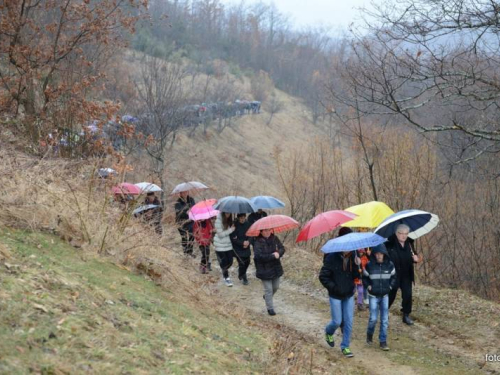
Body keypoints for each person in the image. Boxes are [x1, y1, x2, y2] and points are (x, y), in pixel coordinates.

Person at [318, 227, 360, 358]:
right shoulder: (331, 257)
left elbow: (356, 277)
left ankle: (345, 346)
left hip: (348, 294)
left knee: (348, 321)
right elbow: (323, 276)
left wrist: (358, 266)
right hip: (335, 294)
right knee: (337, 321)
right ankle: (328, 332)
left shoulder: (354, 256)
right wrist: (333, 288)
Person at [362, 244, 396, 351]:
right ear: (374, 254)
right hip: (373, 296)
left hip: (385, 295)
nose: (379, 256)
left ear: (384, 254)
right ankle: (369, 334)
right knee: (373, 319)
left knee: (385, 320)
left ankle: (383, 341)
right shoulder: (369, 265)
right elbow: (364, 278)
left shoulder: (390, 265)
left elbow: (394, 277)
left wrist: (390, 286)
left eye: (381, 254)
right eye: (377, 254)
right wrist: (368, 286)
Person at [386, 224, 419, 325]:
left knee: (407, 295)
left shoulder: (409, 243)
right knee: (391, 294)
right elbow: (384, 257)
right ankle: (384, 311)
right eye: (401, 234)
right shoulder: (390, 243)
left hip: (406, 274)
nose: (404, 236)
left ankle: (406, 315)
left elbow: (415, 255)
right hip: (394, 274)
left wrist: (416, 259)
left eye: (406, 234)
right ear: (397, 233)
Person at [253, 228, 285, 316]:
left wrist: (279, 253)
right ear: (261, 232)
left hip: (275, 268)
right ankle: (270, 308)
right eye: (265, 231)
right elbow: (259, 256)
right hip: (264, 269)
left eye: (269, 230)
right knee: (268, 289)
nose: (267, 232)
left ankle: (266, 297)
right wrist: (272, 256)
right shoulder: (258, 242)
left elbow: (282, 248)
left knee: (276, 287)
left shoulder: (275, 239)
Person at [214, 212, 235, 286]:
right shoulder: (218, 221)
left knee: (230, 261)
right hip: (220, 245)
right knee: (224, 263)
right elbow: (220, 235)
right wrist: (231, 230)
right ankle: (226, 278)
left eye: (229, 213)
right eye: (226, 213)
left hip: (228, 245)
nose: (228, 214)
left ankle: (223, 269)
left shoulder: (229, 221)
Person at [231, 213, 252, 285]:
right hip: (238, 247)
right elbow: (233, 239)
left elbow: (251, 235)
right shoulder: (234, 225)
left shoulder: (248, 224)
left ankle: (241, 273)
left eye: (244, 218)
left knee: (247, 261)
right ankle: (244, 277)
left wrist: (248, 242)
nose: (242, 219)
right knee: (241, 263)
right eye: (241, 218)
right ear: (238, 218)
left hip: (246, 246)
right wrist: (242, 243)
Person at [174, 191, 196, 256]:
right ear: (180, 193)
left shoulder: (191, 199)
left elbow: (194, 207)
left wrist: (191, 210)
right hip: (181, 222)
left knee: (192, 236)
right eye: (183, 192)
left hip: (190, 221)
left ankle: (190, 252)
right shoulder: (177, 202)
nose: (185, 193)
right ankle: (185, 252)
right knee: (184, 237)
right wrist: (186, 211)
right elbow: (178, 212)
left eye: (186, 192)